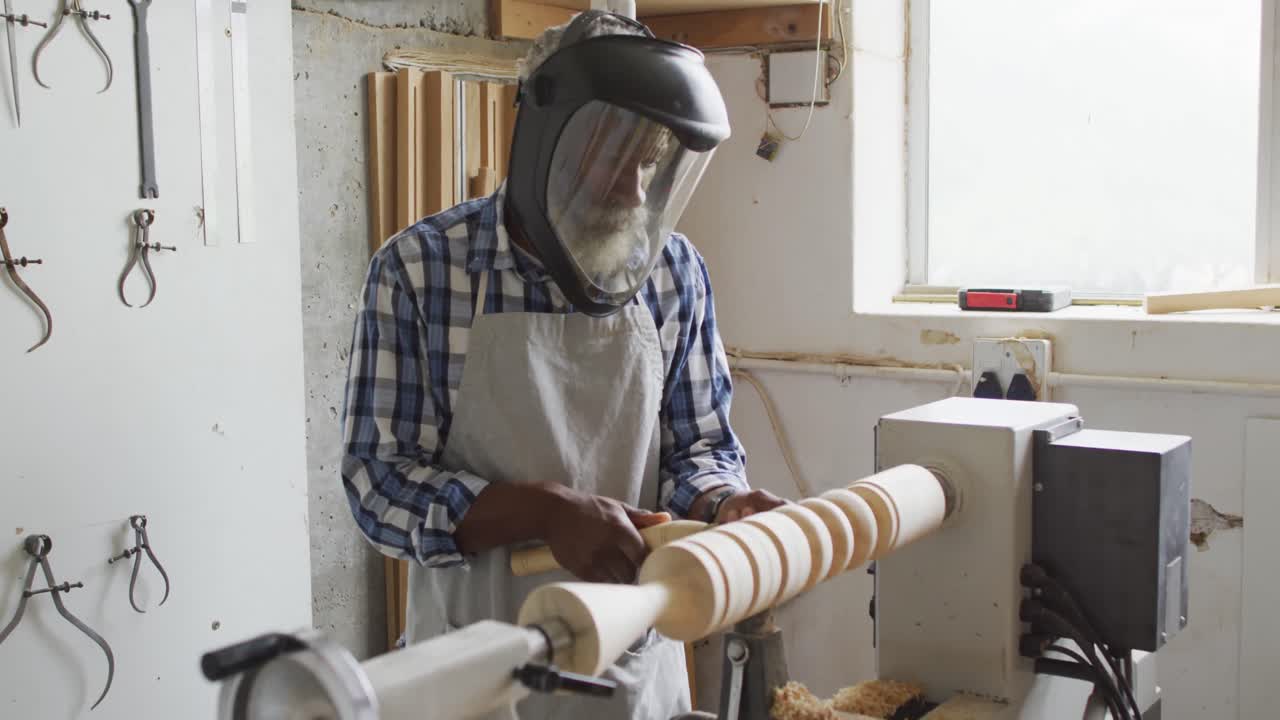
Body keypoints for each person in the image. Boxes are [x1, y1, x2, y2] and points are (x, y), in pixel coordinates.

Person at [340, 10, 784, 719]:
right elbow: (379, 485)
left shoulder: (674, 272)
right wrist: (545, 512)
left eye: (650, 163)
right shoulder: (422, 270)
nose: (636, 192)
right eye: (615, 157)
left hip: (629, 668)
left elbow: (697, 446)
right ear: (546, 140)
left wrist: (722, 503)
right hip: (474, 667)